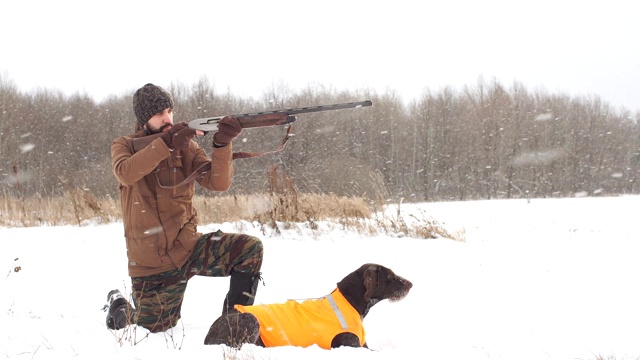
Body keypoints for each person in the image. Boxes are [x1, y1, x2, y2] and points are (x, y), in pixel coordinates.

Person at [105, 83, 264, 334]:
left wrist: (222, 144)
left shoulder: (186, 146)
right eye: (159, 114)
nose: (167, 118)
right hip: (152, 264)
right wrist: (166, 143)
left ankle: (234, 324)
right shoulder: (123, 145)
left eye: (169, 111)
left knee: (249, 249)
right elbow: (126, 172)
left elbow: (217, 182)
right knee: (154, 327)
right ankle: (119, 306)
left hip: (188, 248)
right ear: (144, 119)